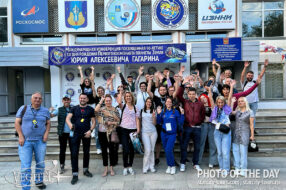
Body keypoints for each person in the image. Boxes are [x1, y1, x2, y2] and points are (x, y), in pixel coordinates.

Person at [15, 92, 51, 190]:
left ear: (42, 100)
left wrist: (46, 133)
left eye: (39, 98)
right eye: (35, 98)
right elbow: (17, 123)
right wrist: (20, 136)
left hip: (40, 141)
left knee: (40, 163)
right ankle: (26, 187)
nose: (37, 100)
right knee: (26, 166)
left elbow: (48, 123)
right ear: (31, 99)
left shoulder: (45, 111)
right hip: (25, 141)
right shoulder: (23, 108)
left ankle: (39, 181)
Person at [66, 93, 96, 185]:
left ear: (87, 99)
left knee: (86, 152)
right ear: (79, 99)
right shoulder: (74, 108)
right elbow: (68, 118)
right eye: (81, 98)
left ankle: (85, 170)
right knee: (74, 153)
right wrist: (70, 125)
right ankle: (75, 174)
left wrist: (90, 130)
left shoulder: (90, 109)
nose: (82, 99)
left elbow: (94, 122)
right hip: (75, 134)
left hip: (86, 133)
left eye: (84, 98)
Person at [176, 80, 205, 172]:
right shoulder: (185, 102)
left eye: (193, 94)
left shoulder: (200, 104)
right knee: (184, 146)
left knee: (197, 146)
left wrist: (198, 122)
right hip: (187, 127)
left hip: (197, 128)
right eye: (190, 94)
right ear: (188, 95)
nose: (191, 95)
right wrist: (182, 85)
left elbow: (203, 115)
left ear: (196, 94)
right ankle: (183, 163)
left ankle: (195, 163)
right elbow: (178, 95)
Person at [209, 81, 235, 175]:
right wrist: (209, 90)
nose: (220, 104)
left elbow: (230, 97)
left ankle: (226, 169)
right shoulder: (215, 109)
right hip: (217, 132)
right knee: (219, 152)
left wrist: (231, 87)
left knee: (225, 152)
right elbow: (211, 99)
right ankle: (221, 167)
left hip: (226, 132)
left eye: (221, 102)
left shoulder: (227, 108)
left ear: (224, 102)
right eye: (218, 102)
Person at [156, 97, 184, 175]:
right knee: (166, 150)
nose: (168, 103)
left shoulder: (176, 112)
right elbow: (159, 122)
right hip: (164, 133)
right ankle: (169, 165)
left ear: (172, 103)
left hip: (172, 134)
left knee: (169, 149)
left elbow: (180, 122)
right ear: (165, 103)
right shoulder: (162, 112)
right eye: (167, 102)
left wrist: (182, 114)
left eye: (170, 102)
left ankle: (173, 166)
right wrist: (158, 114)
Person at [95, 95, 120, 177]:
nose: (108, 102)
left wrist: (111, 123)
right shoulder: (101, 110)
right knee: (104, 151)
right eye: (106, 101)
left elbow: (119, 121)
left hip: (111, 132)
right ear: (105, 101)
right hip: (102, 132)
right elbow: (95, 111)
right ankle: (106, 169)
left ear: (111, 101)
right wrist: (101, 101)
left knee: (112, 151)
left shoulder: (115, 109)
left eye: (109, 100)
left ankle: (112, 168)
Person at [240, 59, 268, 129]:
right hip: (245, 103)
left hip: (254, 102)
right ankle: (245, 129)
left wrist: (265, 66)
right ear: (247, 76)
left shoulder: (255, 82)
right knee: (245, 116)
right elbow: (242, 75)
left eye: (251, 76)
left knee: (253, 117)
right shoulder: (244, 83)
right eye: (249, 75)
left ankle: (252, 129)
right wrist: (245, 67)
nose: (250, 76)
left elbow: (261, 75)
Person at [147, 76, 168, 166]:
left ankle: (170, 157)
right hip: (159, 123)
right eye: (161, 90)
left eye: (164, 90)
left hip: (168, 123)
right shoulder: (156, 98)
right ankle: (157, 158)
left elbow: (175, 90)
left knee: (168, 141)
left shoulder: (169, 98)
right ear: (159, 91)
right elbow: (148, 91)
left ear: (166, 90)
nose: (163, 91)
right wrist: (151, 80)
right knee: (158, 141)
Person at [117, 92, 140, 176]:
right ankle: (125, 167)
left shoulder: (136, 108)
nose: (128, 97)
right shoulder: (123, 106)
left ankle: (130, 166)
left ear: (132, 97)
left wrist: (138, 130)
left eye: (129, 96)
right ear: (125, 98)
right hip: (124, 130)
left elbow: (137, 119)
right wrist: (121, 92)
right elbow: (119, 102)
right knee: (126, 149)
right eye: (126, 96)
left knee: (132, 150)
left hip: (133, 130)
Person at [231, 97, 255, 176]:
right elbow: (231, 112)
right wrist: (232, 102)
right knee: (235, 152)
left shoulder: (250, 112)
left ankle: (243, 170)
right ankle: (237, 168)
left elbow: (251, 125)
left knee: (243, 153)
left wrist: (252, 135)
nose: (240, 102)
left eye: (242, 101)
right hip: (236, 134)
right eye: (239, 101)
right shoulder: (237, 112)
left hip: (244, 134)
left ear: (245, 102)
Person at [50, 94, 72, 174]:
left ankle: (74, 165)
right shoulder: (59, 109)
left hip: (71, 133)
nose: (66, 101)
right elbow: (50, 116)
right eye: (65, 99)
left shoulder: (73, 109)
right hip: (62, 133)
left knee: (73, 150)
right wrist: (50, 110)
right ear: (62, 101)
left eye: (68, 99)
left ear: (70, 101)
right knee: (62, 150)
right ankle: (62, 166)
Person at [198, 85, 218, 169]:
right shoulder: (199, 106)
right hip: (203, 125)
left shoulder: (213, 105)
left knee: (213, 144)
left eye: (205, 98)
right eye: (202, 98)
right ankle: (197, 161)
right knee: (201, 143)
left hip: (212, 125)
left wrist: (210, 91)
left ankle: (212, 161)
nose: (204, 99)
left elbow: (213, 103)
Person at [141, 97, 157, 174]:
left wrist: (153, 117)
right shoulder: (141, 111)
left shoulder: (153, 111)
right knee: (147, 150)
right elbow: (139, 121)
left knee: (152, 150)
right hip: (145, 133)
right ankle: (145, 167)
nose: (149, 103)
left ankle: (152, 166)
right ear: (145, 102)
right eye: (147, 102)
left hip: (153, 132)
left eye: (150, 102)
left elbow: (154, 123)